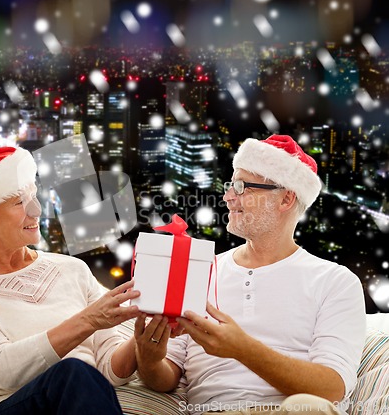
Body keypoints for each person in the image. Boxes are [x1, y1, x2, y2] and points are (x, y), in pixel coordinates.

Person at [134, 134, 366, 415]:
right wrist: (148, 361)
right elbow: (166, 376)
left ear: (286, 199)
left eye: (242, 187)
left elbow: (331, 389)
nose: (228, 196)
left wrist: (242, 349)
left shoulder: (335, 282)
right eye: (231, 185)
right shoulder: (200, 271)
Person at [0, 146, 141, 415]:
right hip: (4, 409)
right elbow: (2, 369)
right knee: (73, 372)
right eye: (19, 202)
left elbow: (111, 371)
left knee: (77, 376)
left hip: (75, 403)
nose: (36, 210)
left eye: (33, 196)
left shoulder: (73, 269)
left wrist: (141, 338)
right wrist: (88, 320)